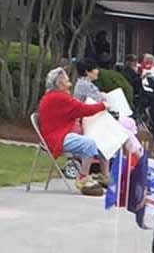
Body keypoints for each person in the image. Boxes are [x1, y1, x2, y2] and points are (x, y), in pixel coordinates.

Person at [38, 67, 110, 196]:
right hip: (57, 138)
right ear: (60, 83)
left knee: (97, 142)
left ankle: (102, 177)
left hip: (58, 134)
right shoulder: (59, 97)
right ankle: (83, 177)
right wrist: (103, 106)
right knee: (89, 143)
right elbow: (82, 109)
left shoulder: (54, 96)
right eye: (66, 79)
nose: (69, 81)